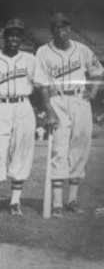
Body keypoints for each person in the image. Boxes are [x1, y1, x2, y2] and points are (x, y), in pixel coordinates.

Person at [0, 18, 56, 218]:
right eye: (10, 34)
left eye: (17, 35)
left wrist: (49, 110)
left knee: (22, 152)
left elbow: (42, 86)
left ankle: (14, 201)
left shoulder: (30, 59)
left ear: (21, 38)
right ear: (5, 37)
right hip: (0, 106)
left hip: (23, 106)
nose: (14, 38)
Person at [35, 12, 103, 217]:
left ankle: (72, 199)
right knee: (59, 148)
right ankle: (56, 203)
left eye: (64, 27)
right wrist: (49, 111)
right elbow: (41, 85)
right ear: (52, 30)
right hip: (57, 99)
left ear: (70, 29)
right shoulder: (43, 52)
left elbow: (98, 72)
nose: (61, 31)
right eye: (56, 27)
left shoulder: (82, 49)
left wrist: (93, 91)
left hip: (80, 100)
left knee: (80, 146)